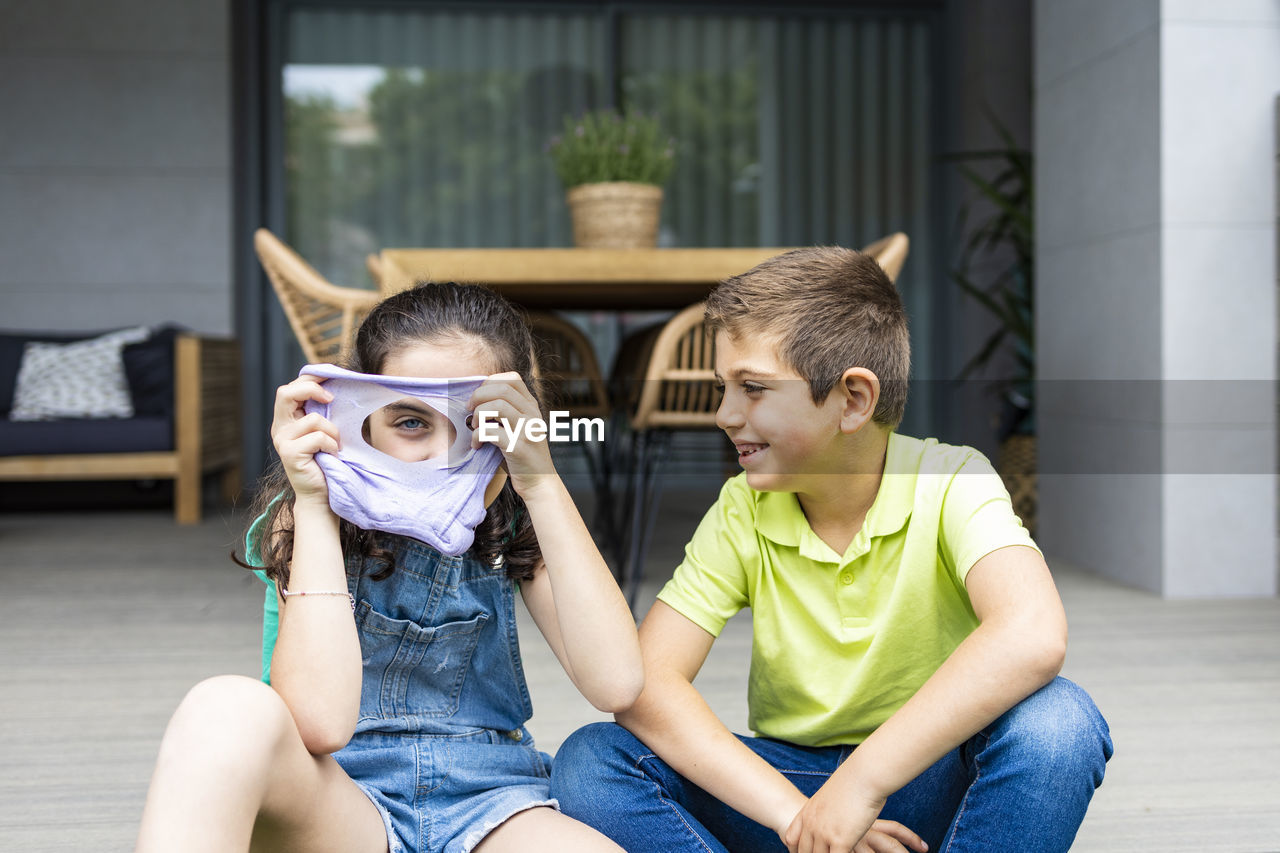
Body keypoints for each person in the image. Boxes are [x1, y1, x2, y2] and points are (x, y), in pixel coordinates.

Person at [550, 248, 1113, 853]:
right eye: (723, 388)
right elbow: (646, 683)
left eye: (754, 388)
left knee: (1058, 723)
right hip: (791, 792)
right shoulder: (743, 509)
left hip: (931, 782)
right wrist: (801, 817)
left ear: (853, 401)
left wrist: (862, 786)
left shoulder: (953, 481)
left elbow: (1031, 633)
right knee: (592, 760)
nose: (724, 414)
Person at [135, 282, 643, 853]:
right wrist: (313, 503)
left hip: (492, 799)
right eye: (409, 423)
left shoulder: (515, 518)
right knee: (224, 706)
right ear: (359, 422)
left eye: (475, 423)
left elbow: (616, 681)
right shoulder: (306, 517)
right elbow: (321, 724)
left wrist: (539, 482)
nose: (436, 452)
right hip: (344, 803)